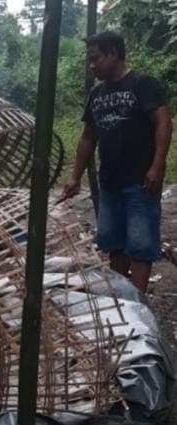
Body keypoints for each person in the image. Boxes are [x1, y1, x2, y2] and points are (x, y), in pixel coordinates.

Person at [61, 32, 172, 293]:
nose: (91, 65)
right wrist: (75, 176)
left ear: (113, 54)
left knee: (141, 246)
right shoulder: (96, 94)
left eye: (95, 58)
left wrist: (157, 167)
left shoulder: (142, 84)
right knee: (114, 244)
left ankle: (139, 304)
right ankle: (122, 300)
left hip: (141, 182)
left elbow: (163, 123)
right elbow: (88, 137)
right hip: (109, 183)